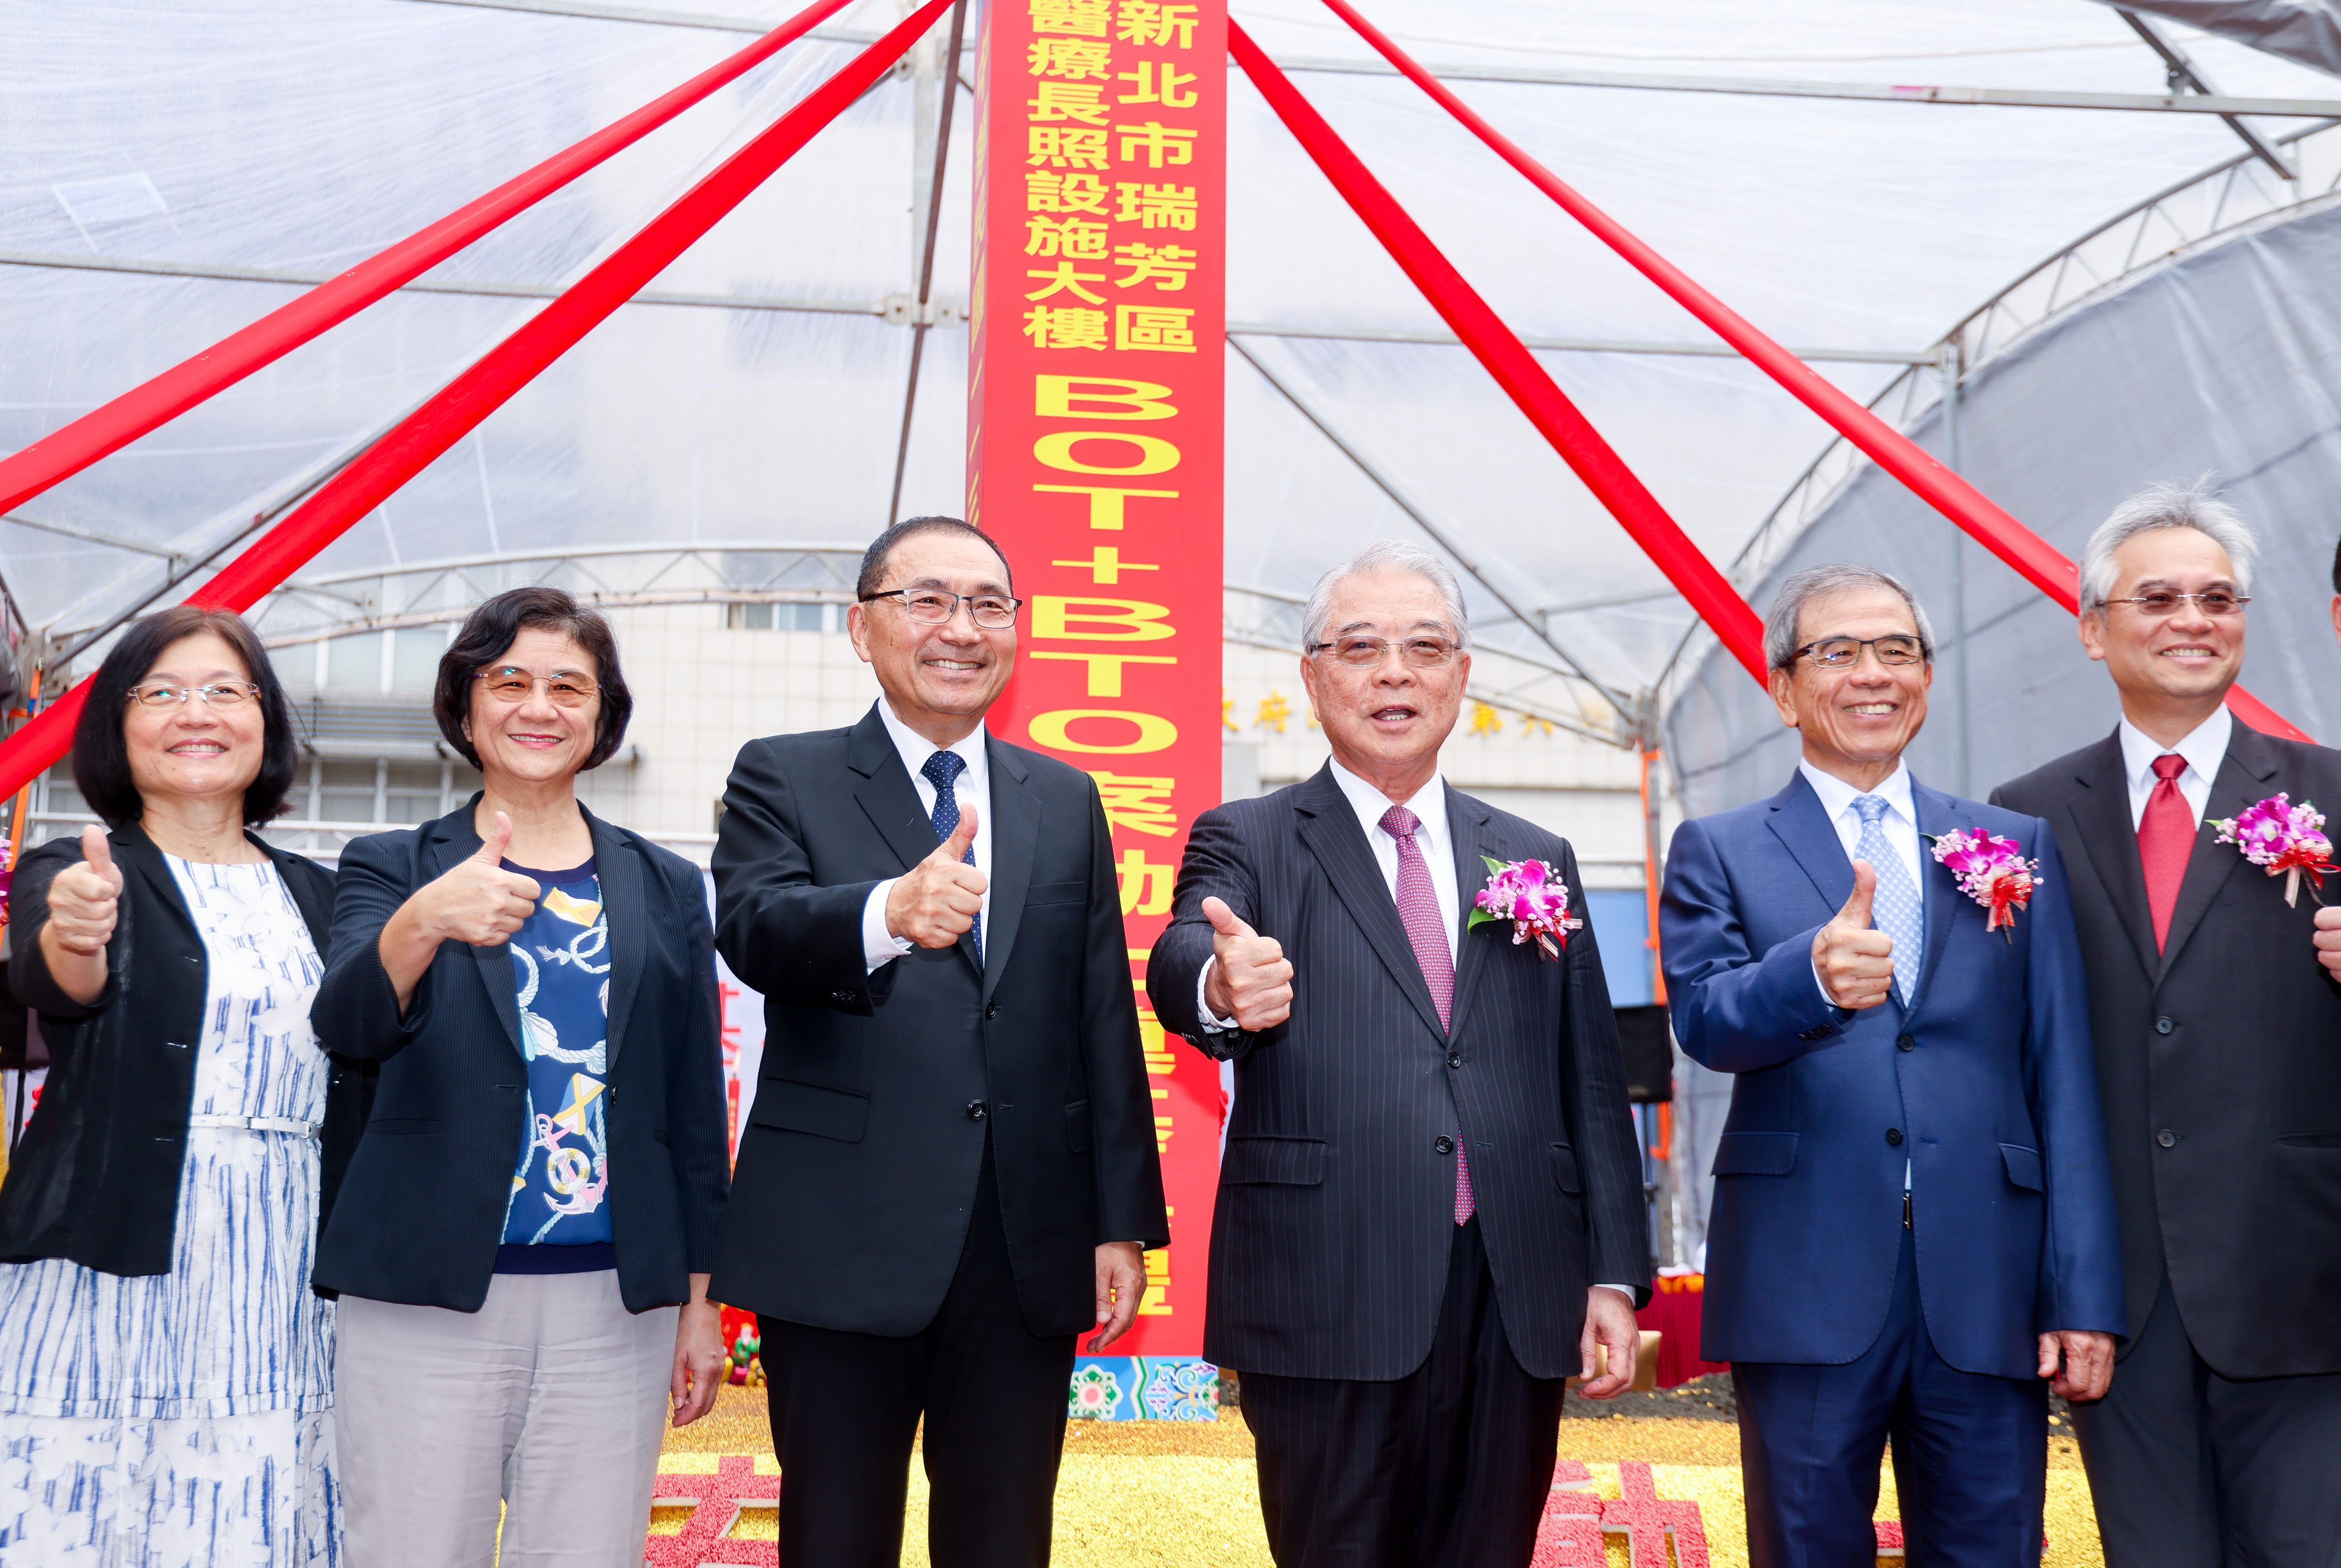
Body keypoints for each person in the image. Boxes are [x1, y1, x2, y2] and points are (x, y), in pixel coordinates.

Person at [1148, 540, 1649, 1568]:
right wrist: (1216, 985)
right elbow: (1186, 949)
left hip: (1513, 1287)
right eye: (1362, 646)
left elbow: (1589, 1082)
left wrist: (1612, 1274)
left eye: (1425, 648)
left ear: (1462, 677)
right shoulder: (1248, 836)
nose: (1395, 673)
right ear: (1313, 673)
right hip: (1329, 1282)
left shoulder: (1533, 855)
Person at [711, 514, 1167, 1568]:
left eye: (989, 604)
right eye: (927, 600)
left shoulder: (1062, 796)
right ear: (863, 629)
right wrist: (886, 914)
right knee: (835, 1539)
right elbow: (755, 927)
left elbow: (1101, 1011)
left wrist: (1120, 1223)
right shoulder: (786, 773)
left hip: (1025, 1245)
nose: (961, 628)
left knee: (1005, 1541)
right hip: (840, 1242)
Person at [1662, 563, 2123, 1567]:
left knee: (1993, 1550)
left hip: (1987, 1282)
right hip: (1804, 1276)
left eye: (1896, 650)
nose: (1872, 674)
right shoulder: (1722, 848)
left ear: (1925, 675)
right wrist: (1811, 978)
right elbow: (1705, 1020)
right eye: (1837, 652)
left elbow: (2064, 1075)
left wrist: (2082, 1292)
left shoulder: (2008, 841)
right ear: (1783, 689)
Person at [311, 587, 729, 1567]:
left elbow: (690, 1105)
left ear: (601, 717)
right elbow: (350, 1025)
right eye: (511, 682)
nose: (539, 707)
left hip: (614, 1305)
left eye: (569, 687)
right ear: (466, 707)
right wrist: (426, 918)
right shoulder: (391, 863)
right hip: (426, 1289)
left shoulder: (665, 883)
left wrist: (702, 1298)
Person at [1995, 483, 2341, 1565]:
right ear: (2094, 629)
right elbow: (2008, 1062)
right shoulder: (2020, 819)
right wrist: (2052, 1279)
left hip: (2307, 1295)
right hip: (2116, 1306)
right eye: (2158, 598)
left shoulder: (2333, 798)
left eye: (2218, 598)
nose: (2193, 619)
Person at [0, 605, 357, 1561]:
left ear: (265, 723)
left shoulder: (325, 897)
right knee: (76, 1504)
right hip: (100, 1252)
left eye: (224, 692)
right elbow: (53, 984)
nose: (196, 713)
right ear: (118, 725)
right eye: (162, 693)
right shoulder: (70, 867)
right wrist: (76, 934)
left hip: (278, 1266)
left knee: (247, 1507)